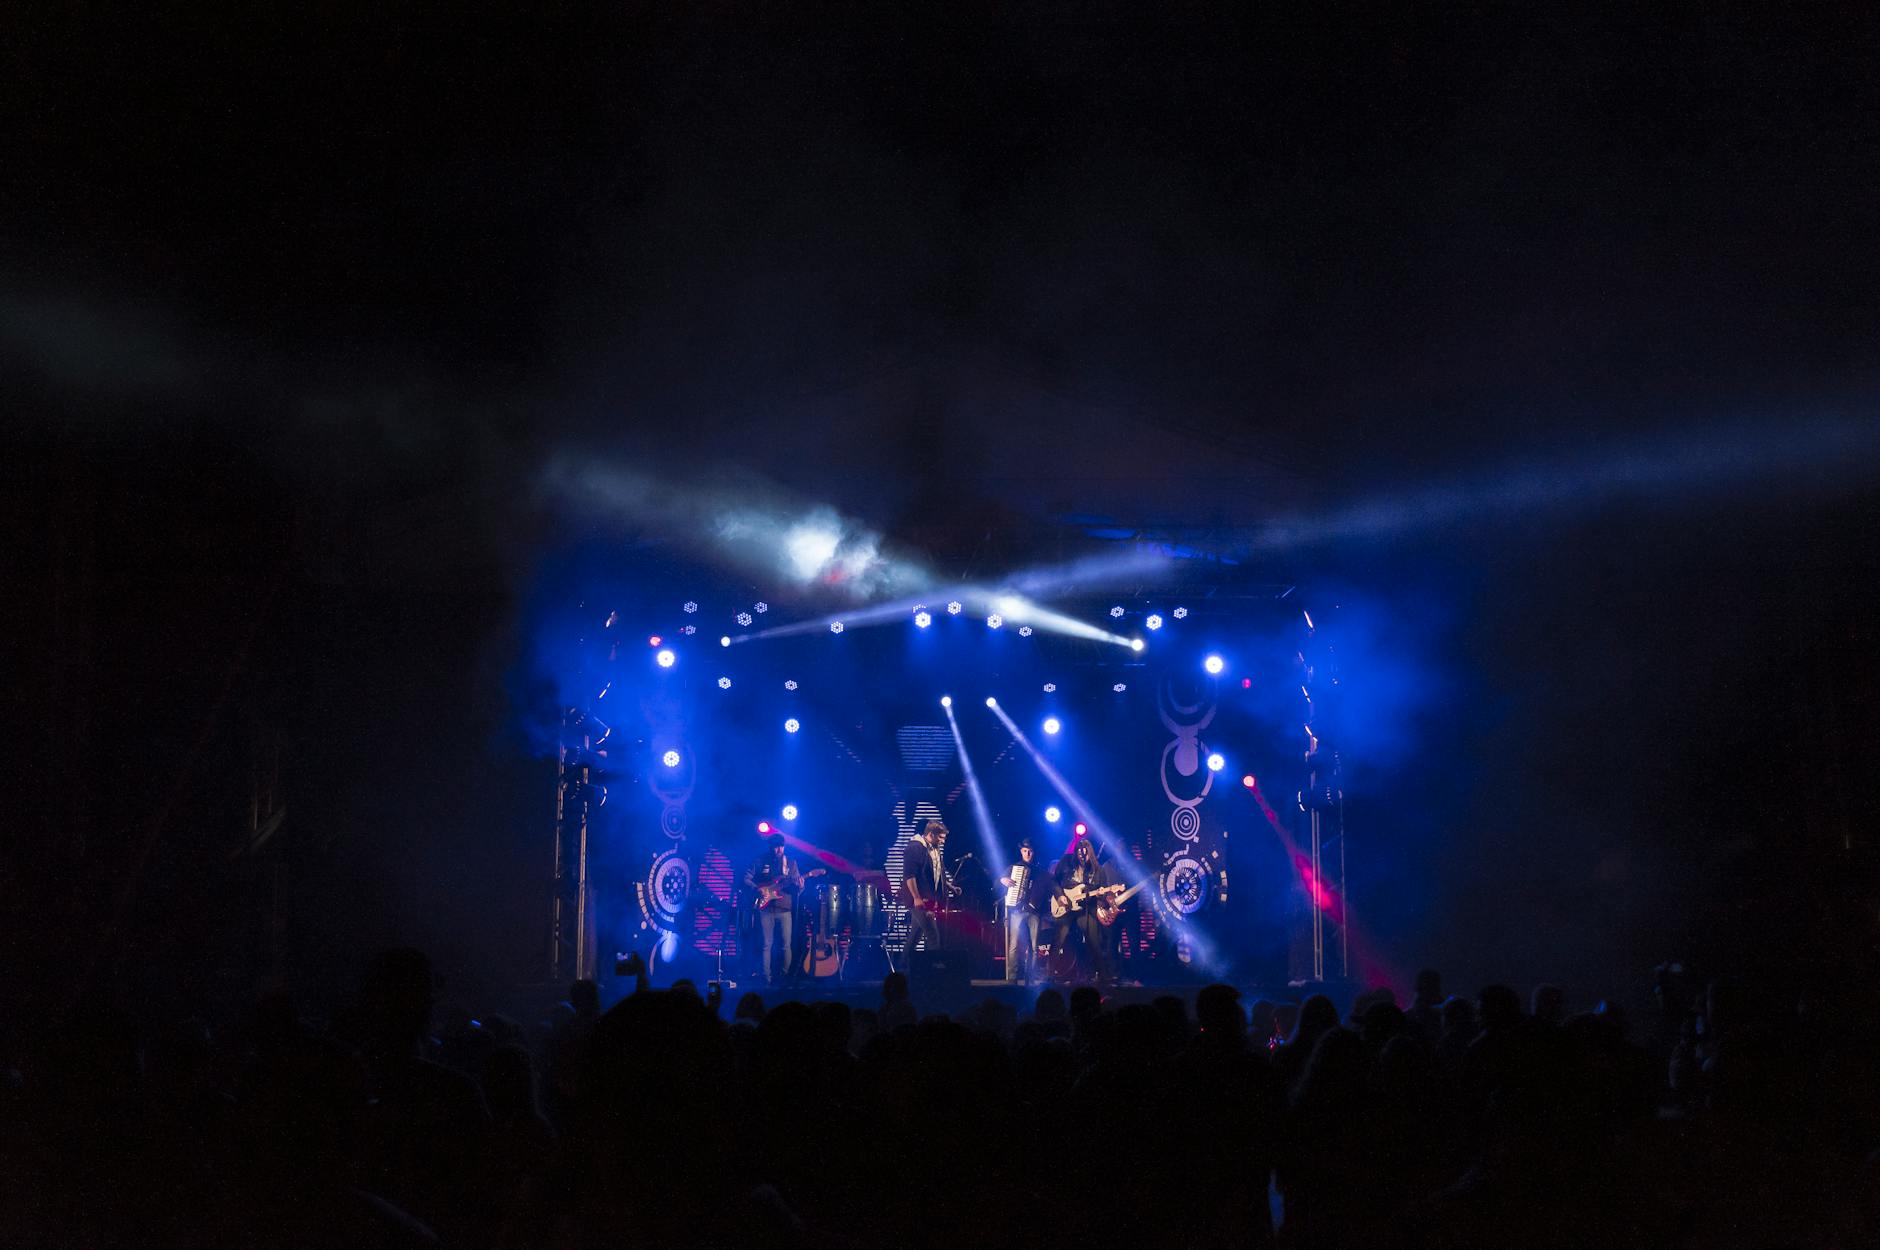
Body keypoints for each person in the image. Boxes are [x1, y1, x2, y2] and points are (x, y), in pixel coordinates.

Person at [1051, 837, 1115, 985]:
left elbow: (1104, 890)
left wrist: (1103, 894)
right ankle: (1050, 973)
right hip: (1065, 906)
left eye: (1085, 854)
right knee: (1059, 939)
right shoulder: (1066, 861)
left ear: (1090, 853)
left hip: (1085, 909)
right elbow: (1054, 881)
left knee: (1094, 940)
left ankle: (1103, 975)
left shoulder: (1097, 870)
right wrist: (1060, 896)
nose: (1082, 856)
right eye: (1079, 853)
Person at [743, 833, 803, 986]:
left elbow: (797, 889)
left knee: (786, 945)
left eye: (781, 846)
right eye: (776, 846)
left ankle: (785, 978)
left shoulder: (790, 863)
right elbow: (746, 878)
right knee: (766, 944)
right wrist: (757, 889)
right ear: (770, 847)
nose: (779, 850)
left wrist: (800, 885)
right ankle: (766, 979)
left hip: (785, 909)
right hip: (765, 908)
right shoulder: (760, 860)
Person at [999, 837, 1046, 984]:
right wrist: (1003, 880)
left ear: (1034, 852)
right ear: (1021, 851)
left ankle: (1029, 977)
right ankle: (1012, 978)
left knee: (1034, 945)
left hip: (1034, 912)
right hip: (1017, 910)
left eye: (1030, 851)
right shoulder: (1014, 867)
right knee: (1014, 944)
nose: (1028, 854)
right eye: (1025, 851)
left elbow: (1045, 888)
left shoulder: (1039, 870)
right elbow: (1000, 880)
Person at [900, 819, 949, 958]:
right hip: (918, 899)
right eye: (941, 837)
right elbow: (910, 875)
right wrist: (916, 897)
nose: (943, 841)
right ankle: (933, 970)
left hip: (926, 898)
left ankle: (902, 968)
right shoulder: (915, 847)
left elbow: (935, 872)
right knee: (932, 935)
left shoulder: (933, 848)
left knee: (915, 936)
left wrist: (948, 886)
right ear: (931, 834)